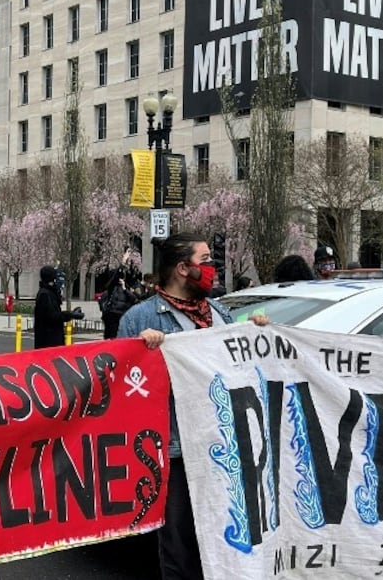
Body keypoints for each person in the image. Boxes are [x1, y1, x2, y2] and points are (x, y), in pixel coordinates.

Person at [118, 233, 268, 579]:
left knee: (221, 541)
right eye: (206, 262)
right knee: (179, 546)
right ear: (184, 269)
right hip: (175, 451)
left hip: (221, 447)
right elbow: (122, 385)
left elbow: (238, 369)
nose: (213, 270)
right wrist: (143, 355)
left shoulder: (218, 313)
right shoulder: (141, 320)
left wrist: (255, 335)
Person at [34, 265, 84, 349]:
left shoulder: (49, 292)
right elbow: (52, 316)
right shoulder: (45, 294)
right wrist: (70, 314)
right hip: (48, 341)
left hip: (51, 339)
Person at [99, 271, 136, 339]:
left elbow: (133, 299)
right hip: (111, 314)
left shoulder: (126, 288)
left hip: (121, 315)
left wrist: (124, 288)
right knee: (110, 334)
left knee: (118, 335)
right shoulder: (111, 288)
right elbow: (102, 300)